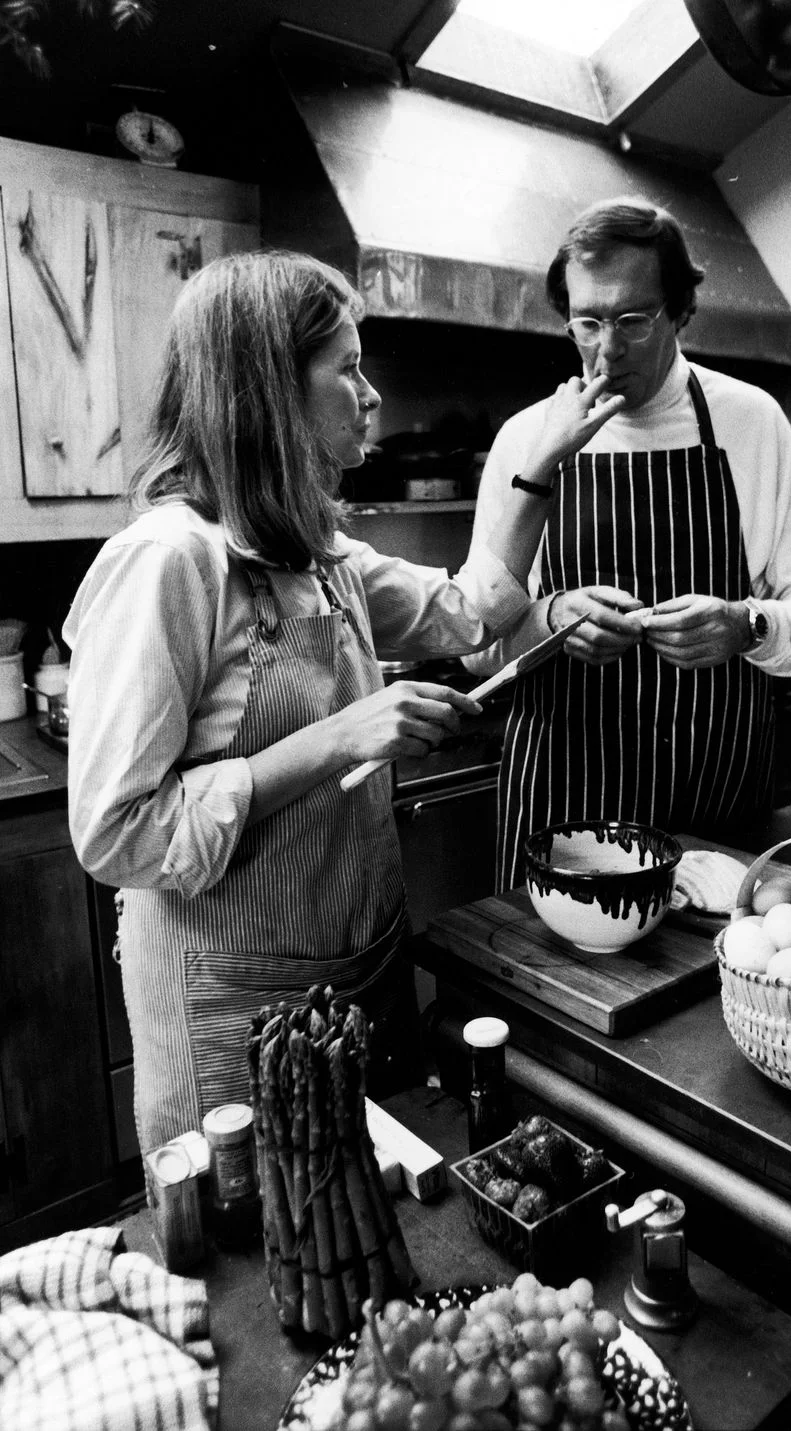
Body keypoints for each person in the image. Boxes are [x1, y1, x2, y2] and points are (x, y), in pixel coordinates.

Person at [63, 250, 623, 1154]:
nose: (372, 396)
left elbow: (474, 609)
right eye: (348, 368)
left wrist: (538, 465)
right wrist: (338, 737)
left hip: (362, 971)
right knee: (263, 1261)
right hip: (235, 1007)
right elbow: (116, 831)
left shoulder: (320, 556)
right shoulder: (171, 560)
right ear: (270, 392)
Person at [463, 197, 791, 890]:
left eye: (634, 320)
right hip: (562, 816)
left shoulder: (751, 423)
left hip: (713, 816)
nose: (607, 349)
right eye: (587, 322)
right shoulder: (527, 441)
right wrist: (550, 619)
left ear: (680, 312)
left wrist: (746, 625)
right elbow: (474, 645)